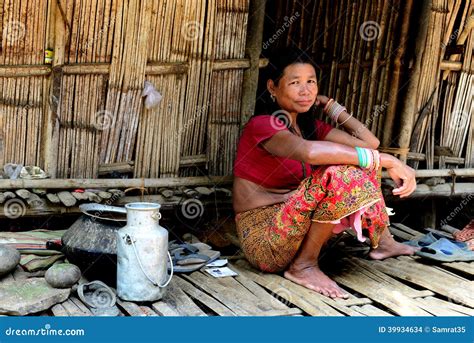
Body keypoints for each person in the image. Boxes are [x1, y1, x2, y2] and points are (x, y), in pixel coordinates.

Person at [232, 49, 418, 299]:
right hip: (267, 241)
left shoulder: (309, 127)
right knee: (341, 173)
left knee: (360, 163)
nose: (305, 90)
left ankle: (382, 242)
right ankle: (304, 266)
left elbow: (369, 143)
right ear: (273, 88)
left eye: (311, 82)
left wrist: (330, 105)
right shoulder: (264, 125)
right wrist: (386, 160)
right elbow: (308, 153)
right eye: (295, 82)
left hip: (300, 228)